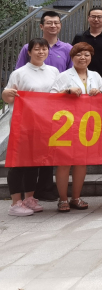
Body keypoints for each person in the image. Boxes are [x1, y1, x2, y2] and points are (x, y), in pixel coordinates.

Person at [17, 12, 72, 202]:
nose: (53, 26)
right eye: (49, 23)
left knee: (51, 149)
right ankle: (27, 192)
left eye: (56, 23)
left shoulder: (67, 48)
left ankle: (46, 188)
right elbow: (18, 75)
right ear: (41, 26)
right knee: (32, 151)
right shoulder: (28, 48)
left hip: (56, 109)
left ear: (60, 26)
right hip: (31, 111)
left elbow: (70, 75)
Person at [3, 39, 59, 216]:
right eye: (37, 49)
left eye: (44, 49)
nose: (41, 52)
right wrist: (6, 94)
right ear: (29, 52)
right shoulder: (19, 73)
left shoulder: (54, 71)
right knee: (18, 163)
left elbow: (58, 94)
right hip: (23, 125)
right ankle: (15, 203)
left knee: (34, 162)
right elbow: (8, 97)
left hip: (44, 124)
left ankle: (29, 198)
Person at [50, 42, 102, 212]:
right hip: (67, 125)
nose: (83, 58)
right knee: (64, 163)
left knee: (81, 162)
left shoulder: (96, 75)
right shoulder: (63, 76)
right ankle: (62, 199)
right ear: (72, 57)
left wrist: (99, 93)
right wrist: (67, 91)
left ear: (91, 57)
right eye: (79, 54)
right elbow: (51, 97)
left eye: (87, 55)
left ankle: (76, 197)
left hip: (88, 124)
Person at [71, 7, 102, 88]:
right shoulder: (80, 37)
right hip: (82, 78)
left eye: (99, 17)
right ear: (88, 18)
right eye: (93, 16)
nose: (96, 19)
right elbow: (73, 56)